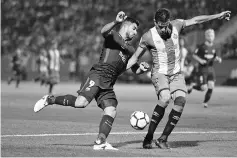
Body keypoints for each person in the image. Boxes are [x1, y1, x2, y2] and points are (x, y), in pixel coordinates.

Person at [33, 11, 149, 150]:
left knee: (111, 110)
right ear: (126, 26)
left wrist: (141, 69)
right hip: (98, 75)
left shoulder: (130, 49)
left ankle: (100, 142)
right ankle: (50, 99)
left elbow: (133, 68)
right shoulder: (113, 36)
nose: (136, 32)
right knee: (80, 103)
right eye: (134, 29)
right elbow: (103, 31)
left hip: (109, 83)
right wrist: (115, 22)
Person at [126, 8, 231, 149]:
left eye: (165, 26)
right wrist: (116, 70)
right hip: (160, 73)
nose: (163, 29)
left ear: (169, 21)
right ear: (154, 22)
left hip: (176, 73)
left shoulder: (177, 25)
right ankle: (149, 136)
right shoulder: (147, 36)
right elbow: (134, 58)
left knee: (181, 101)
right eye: (159, 26)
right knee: (164, 98)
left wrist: (217, 15)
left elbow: (196, 20)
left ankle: (163, 138)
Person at [188, 29, 222, 108]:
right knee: (203, 88)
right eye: (209, 35)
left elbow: (215, 56)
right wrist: (200, 60)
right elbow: (194, 55)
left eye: (212, 35)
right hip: (203, 70)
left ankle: (205, 102)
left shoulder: (215, 46)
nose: (211, 37)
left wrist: (218, 59)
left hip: (210, 69)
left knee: (211, 86)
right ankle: (193, 86)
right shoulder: (201, 46)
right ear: (206, 36)